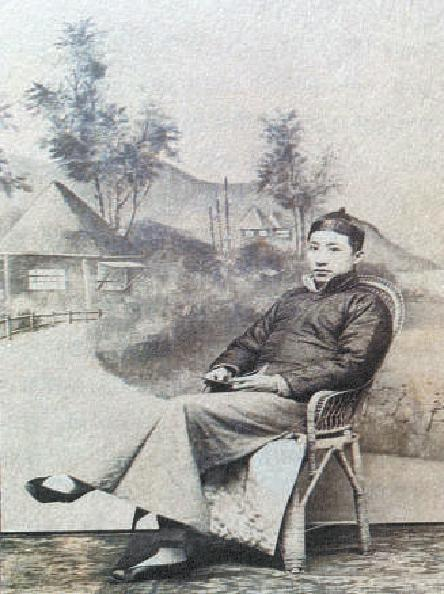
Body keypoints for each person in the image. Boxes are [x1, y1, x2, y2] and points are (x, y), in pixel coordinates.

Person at [26, 208, 393, 582]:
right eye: (314, 248)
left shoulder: (366, 304)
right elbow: (248, 343)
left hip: (302, 405)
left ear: (356, 256)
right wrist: (228, 368)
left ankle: (84, 482)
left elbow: (354, 367)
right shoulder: (292, 299)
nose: (321, 258)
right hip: (252, 396)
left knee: (182, 409)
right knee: (171, 419)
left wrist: (279, 383)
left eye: (333, 250)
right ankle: (170, 547)